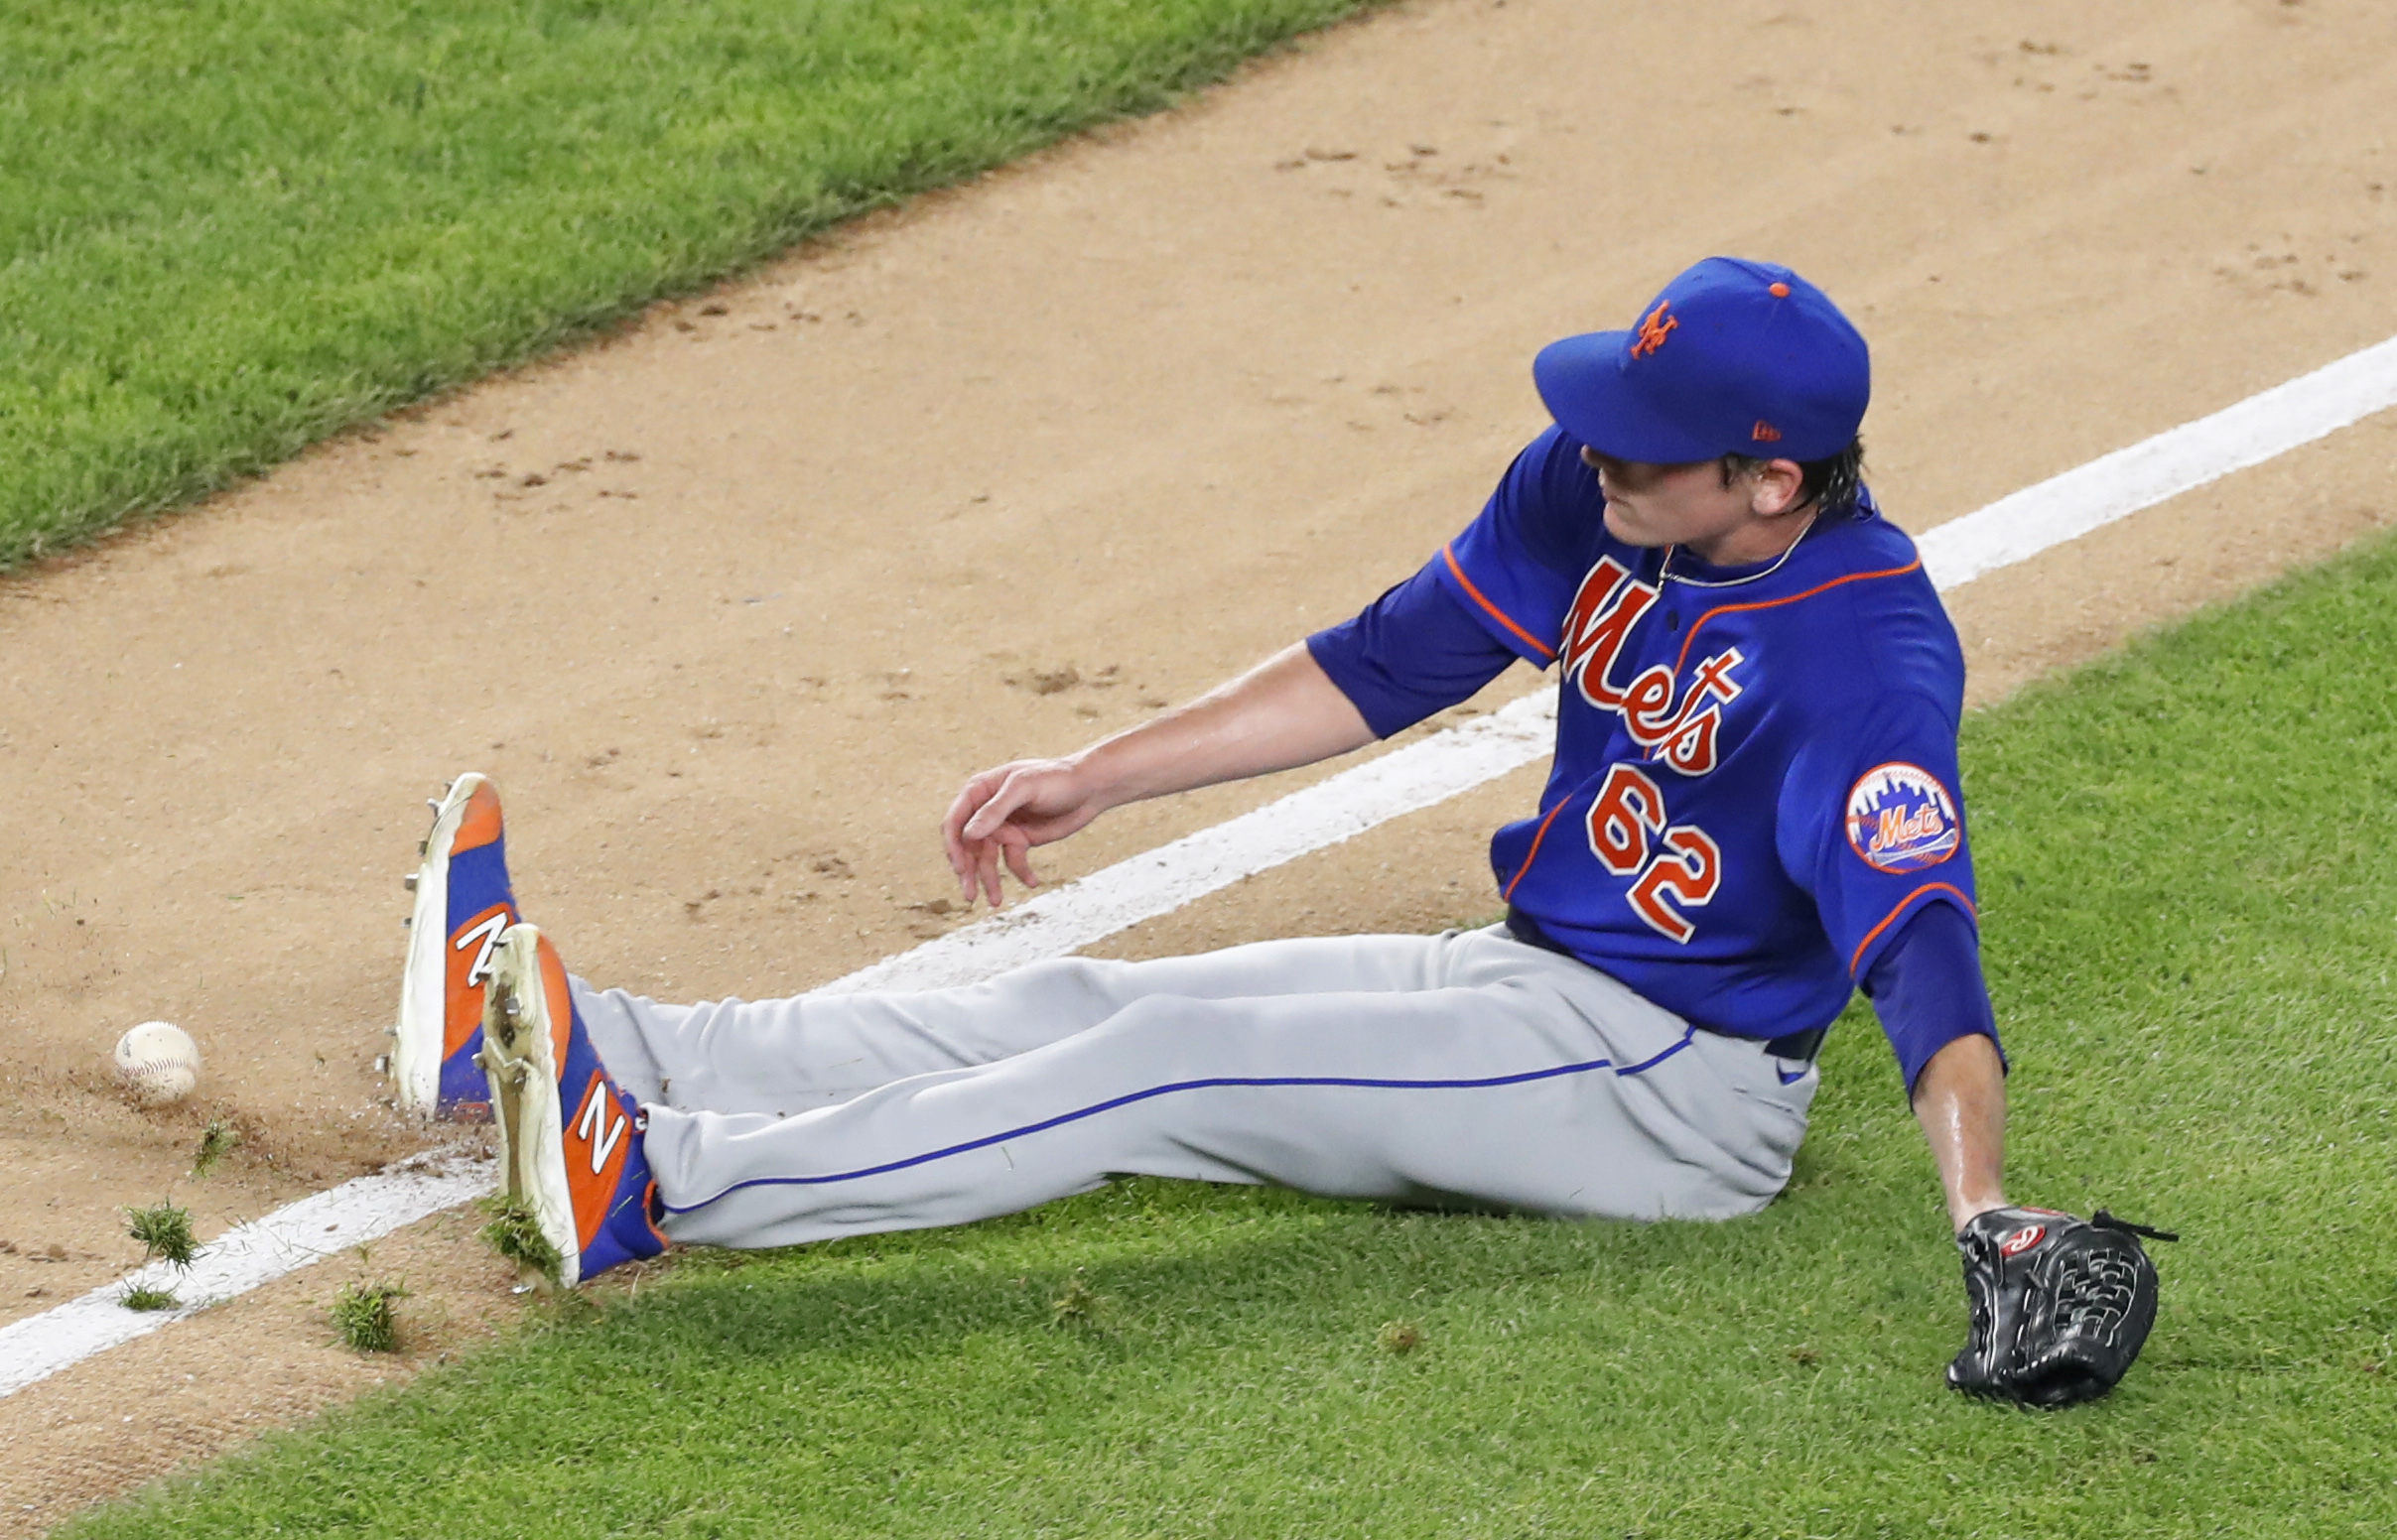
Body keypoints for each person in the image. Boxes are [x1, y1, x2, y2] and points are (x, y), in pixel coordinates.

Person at [391, 257, 2012, 1328]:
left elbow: (1920, 942)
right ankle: (585, 1043)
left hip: (1677, 1091)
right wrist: (1102, 773)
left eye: (1644, 451)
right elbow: (1387, 663)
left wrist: (1987, 1212)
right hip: (1534, 986)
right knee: (1081, 1000)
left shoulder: (1865, 664)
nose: (1598, 457)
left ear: (1771, 481)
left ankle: (660, 1186)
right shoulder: (1605, 500)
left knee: (1165, 1066)